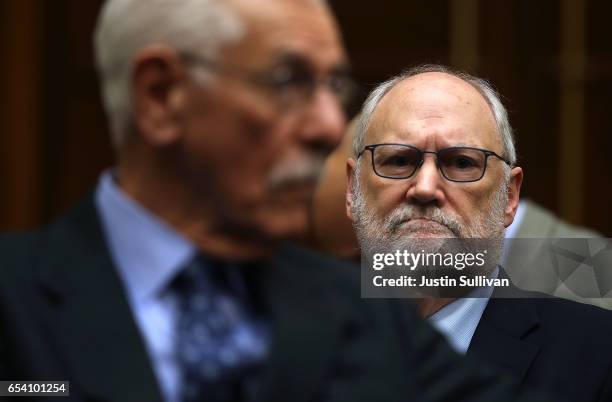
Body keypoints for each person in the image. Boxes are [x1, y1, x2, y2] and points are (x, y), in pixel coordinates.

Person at [0, 1, 554, 401]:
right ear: (161, 96)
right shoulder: (17, 296)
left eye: (331, 87)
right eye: (288, 82)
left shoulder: (362, 311)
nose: (328, 124)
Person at [345, 64, 612, 402]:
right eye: (398, 161)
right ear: (352, 189)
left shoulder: (599, 355)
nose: (425, 188)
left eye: (461, 163)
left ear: (509, 198)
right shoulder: (284, 337)